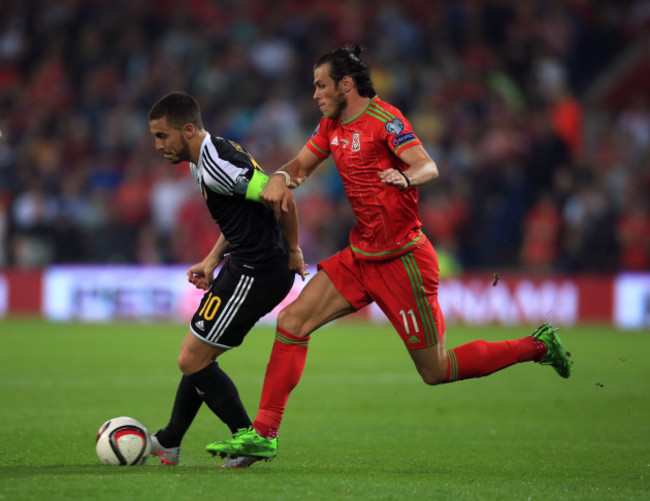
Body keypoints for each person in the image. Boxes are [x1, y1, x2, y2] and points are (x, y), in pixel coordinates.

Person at [205, 45, 573, 462]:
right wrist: (280, 176)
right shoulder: (331, 125)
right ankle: (264, 433)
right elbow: (301, 165)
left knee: (436, 370)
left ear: (346, 84)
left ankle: (538, 346)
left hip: (404, 261)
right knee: (292, 321)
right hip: (361, 255)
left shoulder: (386, 120)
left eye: (321, 85)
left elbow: (428, 165)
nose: (315, 94)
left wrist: (405, 174)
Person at [147, 91, 307, 468]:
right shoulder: (202, 156)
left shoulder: (218, 164)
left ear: (187, 130)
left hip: (259, 271)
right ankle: (170, 440)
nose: (157, 145)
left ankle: (248, 438)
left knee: (192, 358)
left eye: (162, 136)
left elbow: (279, 196)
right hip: (241, 265)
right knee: (197, 357)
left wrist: (295, 248)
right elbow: (241, 214)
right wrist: (212, 259)